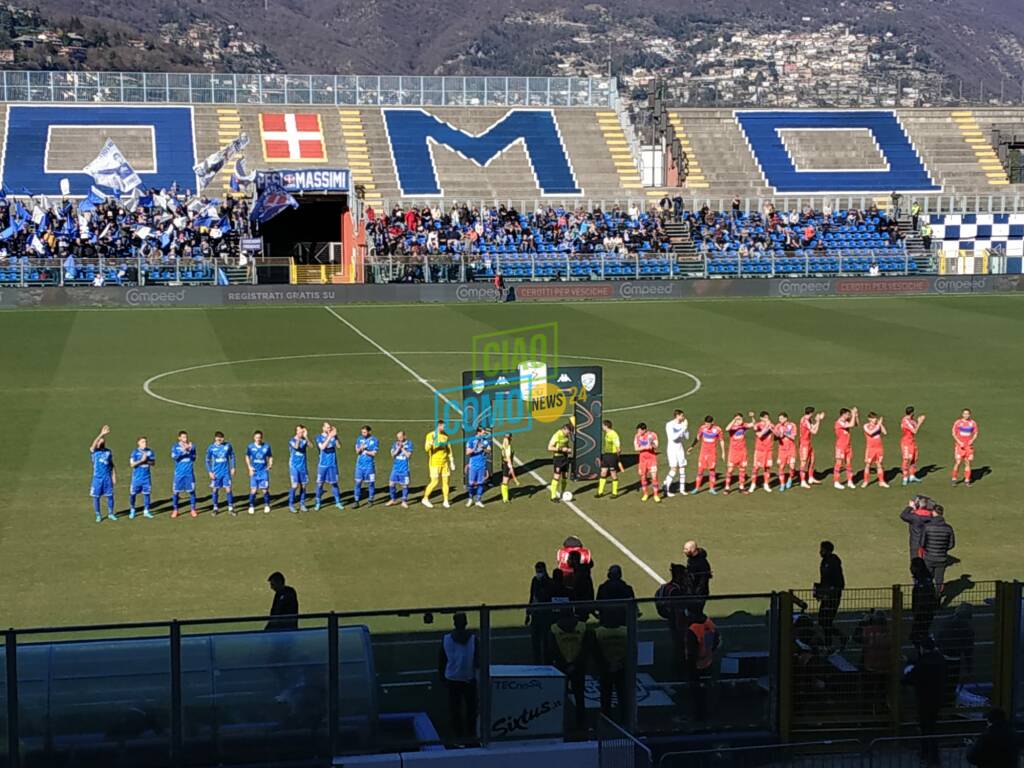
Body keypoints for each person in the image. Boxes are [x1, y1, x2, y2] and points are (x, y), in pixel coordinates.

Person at [903, 636, 947, 768]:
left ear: (922, 648)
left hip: (924, 700)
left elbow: (908, 679)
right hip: (937, 698)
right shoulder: (940, 659)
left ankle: (930, 755)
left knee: (926, 728)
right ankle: (928, 753)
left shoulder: (923, 664)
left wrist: (906, 671)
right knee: (931, 726)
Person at [548, 607, 590, 731]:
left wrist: (565, 664)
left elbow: (552, 650)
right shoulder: (582, 627)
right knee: (579, 696)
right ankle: (581, 723)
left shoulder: (554, 629)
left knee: (561, 696)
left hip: (562, 667)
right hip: (578, 666)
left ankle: (561, 723)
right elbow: (585, 649)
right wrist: (575, 664)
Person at [438, 612, 478, 741]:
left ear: (454, 623)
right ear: (466, 623)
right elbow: (478, 660)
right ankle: (471, 735)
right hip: (469, 679)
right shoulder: (473, 639)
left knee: (455, 710)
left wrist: (442, 677)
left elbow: (441, 660)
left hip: (452, 679)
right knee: (471, 709)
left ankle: (458, 737)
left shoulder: (446, 639)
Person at [594, 586, 629, 723]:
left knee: (606, 694)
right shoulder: (625, 631)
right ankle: (624, 718)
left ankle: (607, 718)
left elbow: (596, 651)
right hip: (619, 666)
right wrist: (620, 662)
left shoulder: (599, 632)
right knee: (621, 693)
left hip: (607, 666)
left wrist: (606, 663)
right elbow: (630, 649)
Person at [683, 608, 720, 721]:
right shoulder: (709, 622)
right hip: (708, 662)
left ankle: (697, 716)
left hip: (696, 665)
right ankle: (706, 713)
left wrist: (688, 665)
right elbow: (717, 640)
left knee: (696, 692)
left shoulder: (693, 629)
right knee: (705, 691)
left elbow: (691, 652)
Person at [815, 541, 845, 648]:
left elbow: (837, 581)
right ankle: (833, 641)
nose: (820, 552)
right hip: (827, 595)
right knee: (823, 620)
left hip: (832, 596)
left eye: (822, 549)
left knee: (825, 620)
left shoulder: (832, 562)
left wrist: (830, 591)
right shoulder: (825, 562)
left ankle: (831, 642)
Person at [422, 420, 455, 509]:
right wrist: (431, 443)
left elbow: (449, 449)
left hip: (444, 463)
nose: (445, 428)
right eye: (444, 426)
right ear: (439, 426)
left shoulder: (445, 436)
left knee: (446, 481)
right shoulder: (430, 435)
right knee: (435, 481)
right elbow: (426, 448)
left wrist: (451, 461)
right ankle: (425, 498)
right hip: (434, 463)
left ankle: (446, 500)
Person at [921, 505, 955, 590]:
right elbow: (951, 544)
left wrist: (928, 549)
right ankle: (938, 597)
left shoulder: (927, 526)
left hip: (929, 557)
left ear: (933, 512)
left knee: (927, 578)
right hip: (942, 558)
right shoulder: (948, 528)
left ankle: (928, 595)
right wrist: (943, 549)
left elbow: (922, 543)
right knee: (939, 580)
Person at [689, 415, 725, 495]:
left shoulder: (717, 429)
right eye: (706, 424)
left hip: (712, 453)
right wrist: (692, 447)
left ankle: (711, 488)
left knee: (712, 470)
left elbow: (721, 440)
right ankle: (697, 488)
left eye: (708, 424)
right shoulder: (702, 428)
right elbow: (698, 438)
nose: (707, 426)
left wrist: (723, 452)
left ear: (712, 422)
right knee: (700, 470)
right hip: (703, 453)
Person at [526, 562, 553, 664]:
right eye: (537, 571)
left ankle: (547, 662)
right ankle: (537, 662)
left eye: (540, 571)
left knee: (546, 642)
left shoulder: (549, 583)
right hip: (536, 615)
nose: (538, 573)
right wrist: (528, 613)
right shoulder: (534, 581)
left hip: (545, 616)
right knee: (536, 642)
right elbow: (532, 597)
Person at [90, 425, 117, 522]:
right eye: (100, 441)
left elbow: (111, 464)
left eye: (103, 440)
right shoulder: (94, 452)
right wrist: (101, 434)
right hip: (97, 478)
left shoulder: (108, 452)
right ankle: (98, 515)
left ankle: (110, 513)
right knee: (96, 497)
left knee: (110, 496)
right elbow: (92, 446)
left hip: (107, 478)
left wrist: (113, 475)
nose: (102, 441)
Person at [910, 557, 939, 647]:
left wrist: (917, 613)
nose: (911, 568)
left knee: (917, 635)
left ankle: (924, 652)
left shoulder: (923, 581)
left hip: (923, 612)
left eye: (913, 567)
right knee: (919, 634)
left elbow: (923, 599)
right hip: (924, 612)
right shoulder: (923, 578)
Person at [206, 431, 236, 516]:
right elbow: (207, 460)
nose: (219, 439)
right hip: (216, 473)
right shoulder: (211, 448)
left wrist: (233, 467)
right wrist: (210, 472)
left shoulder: (227, 446)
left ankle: (230, 508)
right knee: (215, 490)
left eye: (221, 437)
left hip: (226, 472)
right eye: (218, 437)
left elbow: (232, 457)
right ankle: (215, 508)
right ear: (215, 438)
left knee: (228, 489)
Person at [596, 564, 635, 628]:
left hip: (606, 622)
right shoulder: (627, 588)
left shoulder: (602, 588)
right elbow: (632, 607)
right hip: (622, 622)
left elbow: (597, 606)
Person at [315, 422, 344, 510]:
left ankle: (338, 502)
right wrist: (330, 436)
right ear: (323, 428)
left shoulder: (333, 437)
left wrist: (336, 436)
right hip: (323, 465)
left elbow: (338, 446)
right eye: (327, 428)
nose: (329, 429)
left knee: (334, 483)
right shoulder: (319, 437)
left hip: (332, 464)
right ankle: (318, 502)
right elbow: (322, 447)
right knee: (320, 484)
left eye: (330, 428)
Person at [723, 412, 753, 494]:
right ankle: (727, 487)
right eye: (738, 419)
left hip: (742, 452)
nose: (740, 420)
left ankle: (741, 487)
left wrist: (752, 417)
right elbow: (727, 429)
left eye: (740, 418)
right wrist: (734, 420)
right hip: (733, 452)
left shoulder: (744, 425)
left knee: (742, 469)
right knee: (730, 470)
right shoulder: (732, 427)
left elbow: (752, 424)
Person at [170, 430, 198, 519]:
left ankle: (193, 509)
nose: (185, 439)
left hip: (189, 473)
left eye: (186, 437)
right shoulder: (175, 447)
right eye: (183, 437)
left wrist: (190, 451)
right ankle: (175, 510)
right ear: (179, 438)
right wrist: (183, 450)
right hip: (179, 474)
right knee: (176, 492)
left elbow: (194, 458)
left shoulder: (192, 446)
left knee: (192, 491)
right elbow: (174, 457)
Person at [662, 409, 690, 496]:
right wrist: (683, 428)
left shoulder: (682, 425)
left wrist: (686, 429)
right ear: (677, 416)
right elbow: (673, 438)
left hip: (680, 448)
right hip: (672, 449)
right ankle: (666, 488)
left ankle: (682, 489)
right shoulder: (669, 425)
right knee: (673, 469)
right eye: (682, 416)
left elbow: (687, 437)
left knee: (682, 467)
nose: (683, 417)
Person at [128, 435, 156, 520]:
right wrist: (141, 460)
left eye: (146, 442)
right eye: (143, 442)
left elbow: (153, 463)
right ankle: (132, 509)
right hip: (137, 478)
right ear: (138, 443)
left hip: (146, 478)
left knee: (147, 494)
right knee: (133, 494)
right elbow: (132, 464)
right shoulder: (135, 452)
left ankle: (146, 511)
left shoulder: (150, 452)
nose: (145, 443)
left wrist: (147, 460)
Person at [245, 430, 273, 514]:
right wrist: (249, 467)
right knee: (253, 490)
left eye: (259, 438)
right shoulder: (250, 447)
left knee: (265, 490)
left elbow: (270, 456)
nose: (258, 439)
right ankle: (251, 506)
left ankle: (267, 505)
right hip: (254, 472)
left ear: (262, 438)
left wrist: (270, 464)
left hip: (263, 471)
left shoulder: (266, 447)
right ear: (254, 438)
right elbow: (247, 456)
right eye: (256, 437)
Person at [900, 495, 935, 561]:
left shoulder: (914, 517)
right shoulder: (931, 515)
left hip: (916, 543)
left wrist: (910, 507)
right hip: (929, 543)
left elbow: (903, 515)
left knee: (916, 564)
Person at [860, 412, 889, 488]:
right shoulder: (866, 426)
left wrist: (881, 424)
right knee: (868, 465)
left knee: (879, 465)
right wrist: (879, 425)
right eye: (873, 418)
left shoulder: (878, 426)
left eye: (876, 418)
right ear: (869, 419)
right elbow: (870, 433)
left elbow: (885, 433)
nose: (875, 420)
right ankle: (865, 482)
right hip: (871, 449)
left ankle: (881, 481)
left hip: (879, 448)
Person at [634, 422, 661, 502]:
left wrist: (651, 443)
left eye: (639, 431)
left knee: (654, 477)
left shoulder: (652, 435)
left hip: (652, 459)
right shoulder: (637, 436)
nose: (638, 433)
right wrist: (645, 447)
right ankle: (645, 494)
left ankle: (656, 495)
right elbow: (636, 448)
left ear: (644, 430)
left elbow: (656, 446)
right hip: (642, 460)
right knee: (643, 477)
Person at [352, 425, 379, 508]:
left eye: (364, 432)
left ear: (369, 432)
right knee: (358, 483)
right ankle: (356, 501)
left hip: (369, 466)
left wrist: (366, 451)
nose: (363, 434)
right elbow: (357, 451)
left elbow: (374, 453)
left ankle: (370, 500)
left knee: (370, 483)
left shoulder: (374, 440)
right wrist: (361, 447)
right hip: (359, 466)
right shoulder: (359, 439)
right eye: (362, 432)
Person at [833, 407, 859, 490]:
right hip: (840, 446)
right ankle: (836, 482)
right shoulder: (838, 423)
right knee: (839, 463)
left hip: (848, 446)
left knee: (848, 464)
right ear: (843, 414)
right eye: (848, 414)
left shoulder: (846, 422)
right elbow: (851, 424)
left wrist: (856, 416)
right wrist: (854, 414)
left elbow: (856, 424)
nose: (849, 416)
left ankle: (850, 481)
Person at [463, 427, 490, 508]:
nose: (484, 434)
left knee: (480, 483)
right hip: (473, 465)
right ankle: (470, 498)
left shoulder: (485, 440)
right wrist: (475, 448)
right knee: (471, 483)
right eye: (483, 432)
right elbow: (467, 452)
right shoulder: (471, 440)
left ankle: (478, 500)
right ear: (478, 432)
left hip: (482, 465)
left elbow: (489, 450)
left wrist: (483, 448)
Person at [799, 407, 825, 488]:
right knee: (803, 463)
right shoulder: (805, 421)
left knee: (812, 461)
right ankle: (803, 481)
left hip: (808, 443)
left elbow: (812, 427)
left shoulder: (807, 419)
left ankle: (810, 478)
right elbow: (814, 431)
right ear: (811, 413)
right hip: (804, 445)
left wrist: (817, 421)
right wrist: (819, 421)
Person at [547, 422, 573, 502]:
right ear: (564, 429)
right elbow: (549, 447)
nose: (568, 434)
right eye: (568, 432)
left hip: (565, 457)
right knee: (557, 477)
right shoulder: (557, 435)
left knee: (565, 476)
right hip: (558, 458)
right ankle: (553, 496)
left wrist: (568, 450)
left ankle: (562, 493)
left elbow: (566, 445)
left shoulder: (566, 435)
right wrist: (561, 449)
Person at [951, 409, 978, 486]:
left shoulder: (972, 423)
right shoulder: (958, 423)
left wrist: (972, 440)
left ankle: (967, 480)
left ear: (970, 414)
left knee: (967, 462)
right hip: (960, 446)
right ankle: (954, 479)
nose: (966, 415)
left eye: (967, 414)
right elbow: (953, 433)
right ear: (962, 414)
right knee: (958, 462)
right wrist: (959, 442)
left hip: (968, 446)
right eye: (964, 414)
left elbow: (975, 433)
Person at [683, 541, 712, 613]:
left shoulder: (701, 563)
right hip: (692, 593)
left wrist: (695, 595)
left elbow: (703, 581)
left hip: (698, 595)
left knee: (695, 613)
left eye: (686, 549)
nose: (684, 551)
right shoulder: (692, 559)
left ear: (692, 550)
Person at [387, 430, 414, 508]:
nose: (399, 439)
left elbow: (408, 455)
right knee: (391, 484)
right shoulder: (395, 444)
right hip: (395, 469)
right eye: (398, 437)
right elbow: (393, 455)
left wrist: (402, 448)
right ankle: (393, 499)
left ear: (404, 436)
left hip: (405, 469)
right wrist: (398, 448)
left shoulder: (409, 444)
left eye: (401, 437)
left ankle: (404, 501)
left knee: (404, 486)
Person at [901, 407, 926, 486]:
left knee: (914, 459)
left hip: (912, 442)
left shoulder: (912, 421)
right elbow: (914, 431)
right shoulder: (905, 421)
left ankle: (912, 476)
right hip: (906, 442)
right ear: (912, 413)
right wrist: (920, 422)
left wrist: (918, 422)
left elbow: (915, 428)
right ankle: (905, 478)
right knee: (906, 459)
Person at [750, 411, 775, 493]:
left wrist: (770, 427)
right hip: (759, 450)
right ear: (761, 418)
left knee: (767, 468)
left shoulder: (771, 425)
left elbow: (777, 433)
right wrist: (767, 426)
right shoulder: (758, 425)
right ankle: (753, 484)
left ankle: (766, 484)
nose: (767, 419)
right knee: (756, 468)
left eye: (767, 417)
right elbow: (759, 434)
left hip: (768, 450)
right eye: (765, 418)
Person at [597, 420, 621, 498]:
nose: (602, 427)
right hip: (606, 455)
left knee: (613, 473)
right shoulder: (607, 433)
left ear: (606, 426)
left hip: (612, 456)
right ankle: (600, 492)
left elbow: (618, 447)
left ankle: (614, 492)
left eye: (602, 426)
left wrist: (617, 457)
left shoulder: (613, 434)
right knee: (603, 472)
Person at [288, 425, 309, 513]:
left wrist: (306, 436)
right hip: (294, 466)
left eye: (301, 431)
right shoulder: (292, 441)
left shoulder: (304, 440)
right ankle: (291, 504)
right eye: (299, 431)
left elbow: (310, 445)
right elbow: (296, 447)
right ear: (296, 431)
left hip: (303, 466)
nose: (300, 432)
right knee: (295, 485)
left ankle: (302, 504)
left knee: (303, 486)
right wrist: (299, 438)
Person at [775, 412, 798, 491]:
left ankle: (790, 479)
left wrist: (784, 433)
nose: (779, 420)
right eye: (779, 419)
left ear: (786, 418)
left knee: (792, 467)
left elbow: (793, 437)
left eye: (781, 418)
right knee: (781, 467)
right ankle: (782, 484)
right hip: (782, 450)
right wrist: (778, 435)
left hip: (791, 450)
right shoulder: (778, 426)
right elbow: (775, 437)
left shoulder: (792, 425)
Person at [499, 433, 517, 503]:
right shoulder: (508, 447)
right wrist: (511, 467)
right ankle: (505, 498)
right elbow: (508, 457)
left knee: (507, 479)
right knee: (505, 481)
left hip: (504, 463)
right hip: (507, 464)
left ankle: (505, 496)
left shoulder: (504, 445)